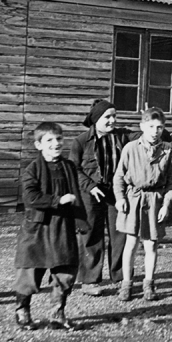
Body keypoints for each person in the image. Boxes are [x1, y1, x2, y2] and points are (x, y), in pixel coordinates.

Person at [14, 122, 86, 330]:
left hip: (63, 227)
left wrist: (81, 221)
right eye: (49, 140)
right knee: (29, 271)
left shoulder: (68, 166)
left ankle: (58, 313)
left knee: (65, 270)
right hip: (38, 228)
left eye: (59, 139)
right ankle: (22, 313)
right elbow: (31, 197)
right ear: (38, 145)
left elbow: (78, 196)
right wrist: (58, 200)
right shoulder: (33, 169)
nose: (56, 144)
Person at [70, 99, 138, 297]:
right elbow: (74, 168)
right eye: (107, 117)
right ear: (96, 119)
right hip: (90, 194)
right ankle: (90, 280)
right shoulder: (81, 141)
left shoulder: (122, 136)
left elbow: (148, 133)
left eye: (114, 116)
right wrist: (90, 186)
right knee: (91, 235)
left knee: (120, 235)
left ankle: (121, 276)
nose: (112, 121)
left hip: (115, 193)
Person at [114, 108, 172, 302]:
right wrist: (120, 198)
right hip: (134, 199)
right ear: (142, 127)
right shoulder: (130, 148)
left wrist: (166, 204)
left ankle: (149, 284)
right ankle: (126, 284)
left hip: (154, 201)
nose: (155, 131)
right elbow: (119, 177)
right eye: (150, 127)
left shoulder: (167, 150)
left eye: (159, 127)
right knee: (131, 243)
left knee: (151, 245)